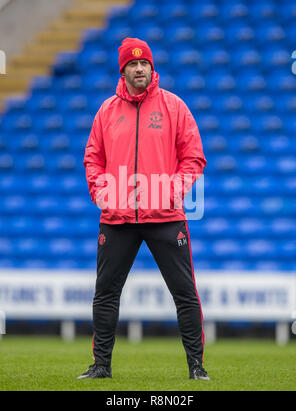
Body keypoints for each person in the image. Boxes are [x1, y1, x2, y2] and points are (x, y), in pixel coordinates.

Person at [79, 38, 209, 381]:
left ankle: (196, 367)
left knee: (185, 294)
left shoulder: (174, 106)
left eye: (144, 64)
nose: (139, 69)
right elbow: (93, 158)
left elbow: (193, 156)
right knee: (105, 293)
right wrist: (103, 193)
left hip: (166, 217)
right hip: (118, 218)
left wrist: (173, 191)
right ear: (123, 70)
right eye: (132, 65)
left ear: (152, 68)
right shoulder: (106, 111)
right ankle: (101, 366)